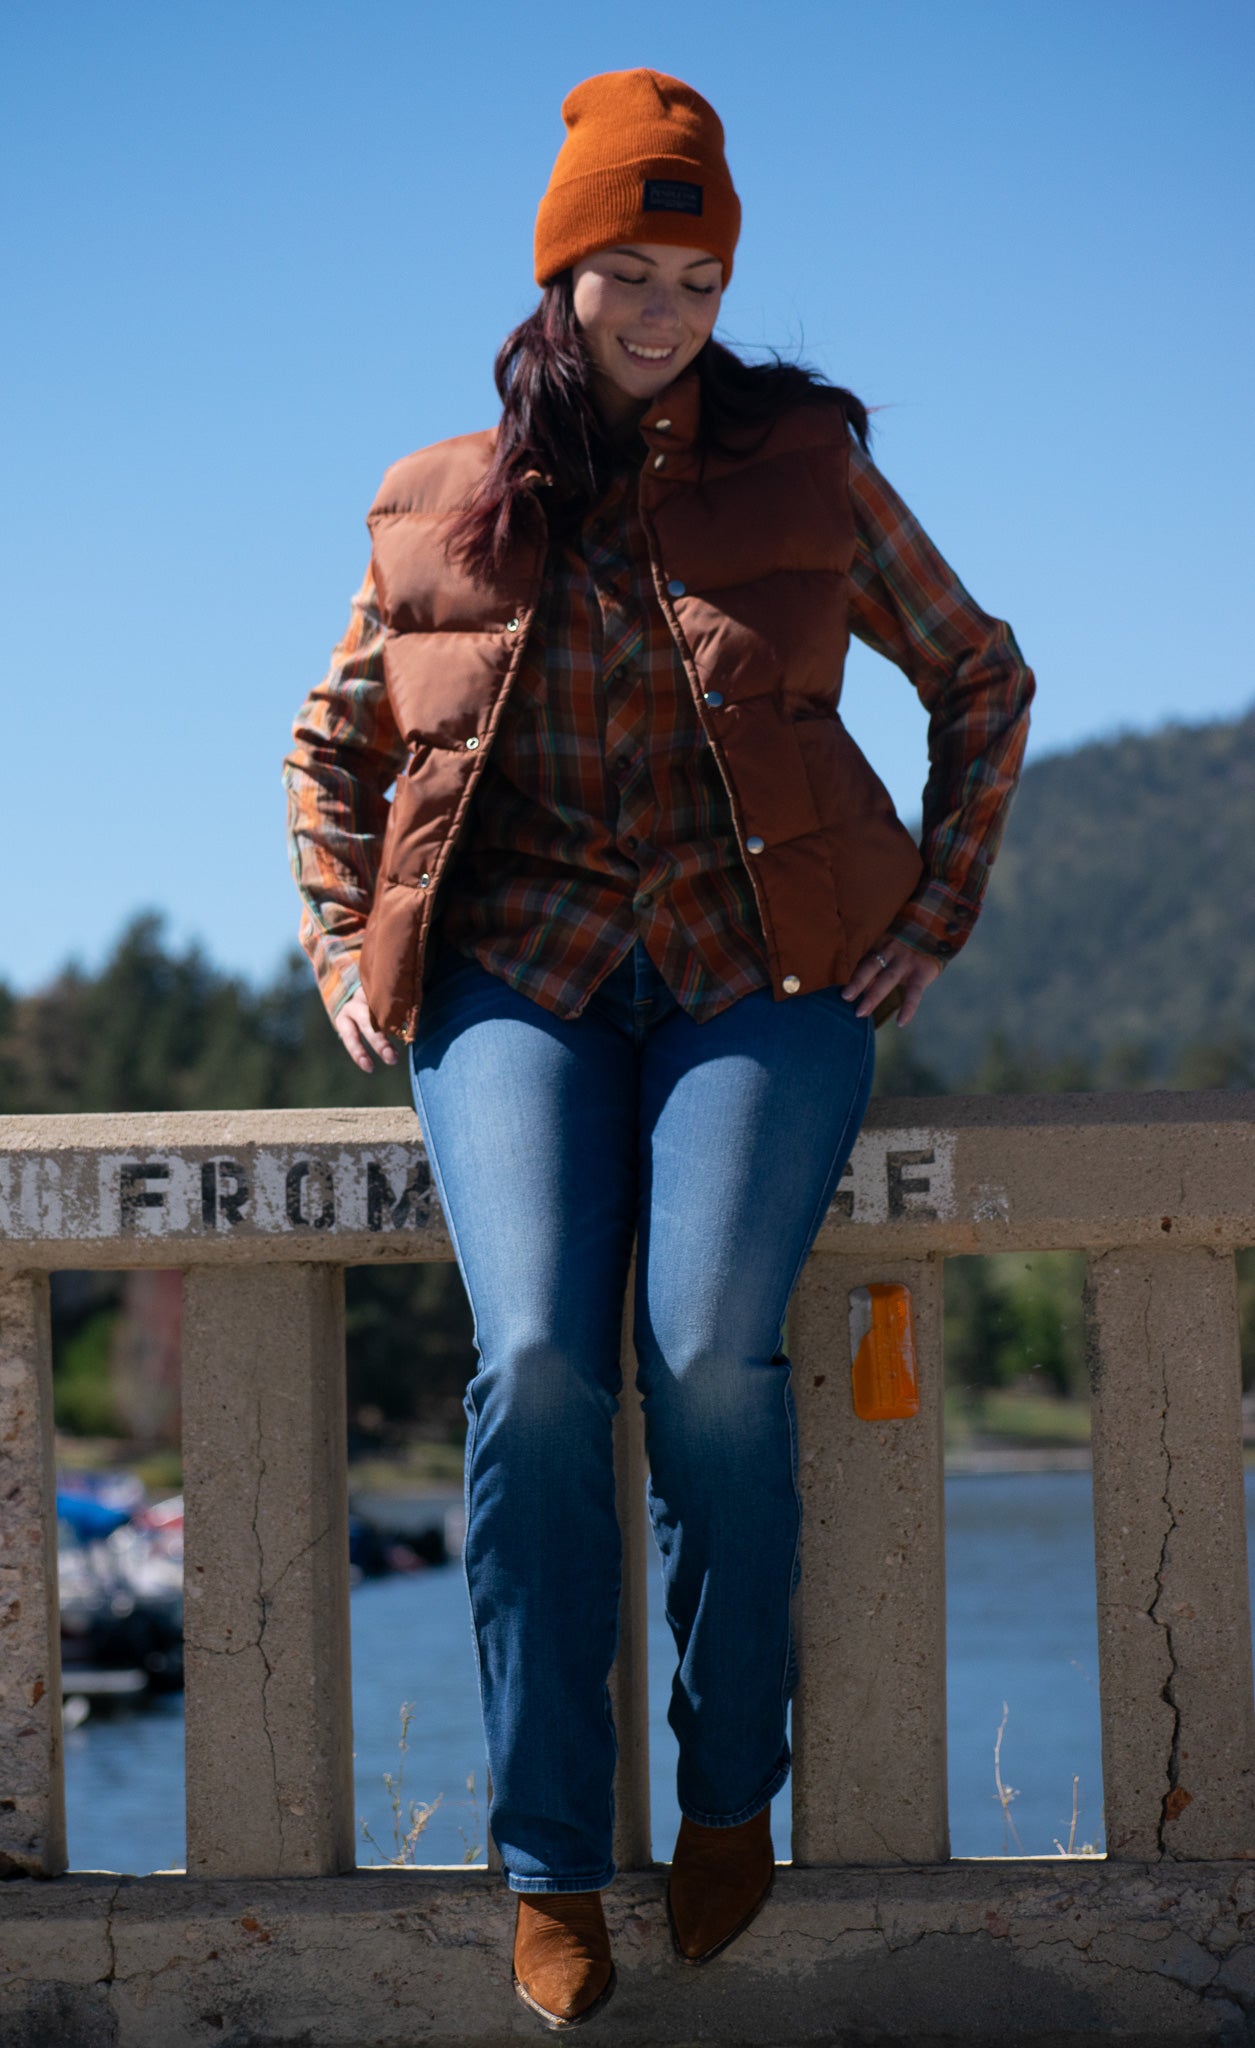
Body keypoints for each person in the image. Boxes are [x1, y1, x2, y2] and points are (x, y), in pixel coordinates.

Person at [284, 66, 1034, 2031]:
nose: (661, 307)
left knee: (704, 1354)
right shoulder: (439, 504)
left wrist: (931, 914)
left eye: (692, 270)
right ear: (559, 275)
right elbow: (332, 740)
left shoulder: (807, 475)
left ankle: (723, 1793)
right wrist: (334, 929)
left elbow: (977, 671)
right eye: (624, 266)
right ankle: (546, 1864)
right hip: (517, 979)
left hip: (756, 986)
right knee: (536, 1364)